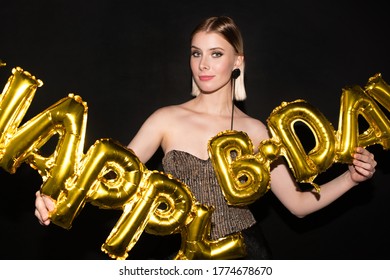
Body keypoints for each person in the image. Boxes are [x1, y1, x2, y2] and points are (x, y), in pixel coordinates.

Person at [34, 16, 377, 259]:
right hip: (180, 255)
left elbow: (299, 205)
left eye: (216, 54)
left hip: (245, 256)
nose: (203, 64)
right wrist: (55, 195)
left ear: (237, 61)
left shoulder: (257, 132)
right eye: (196, 53)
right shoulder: (165, 119)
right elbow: (107, 177)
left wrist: (351, 178)